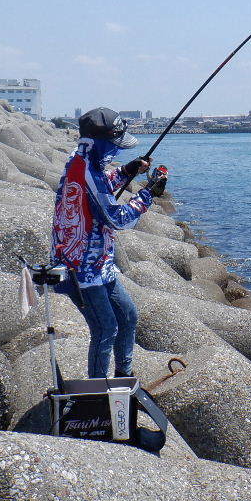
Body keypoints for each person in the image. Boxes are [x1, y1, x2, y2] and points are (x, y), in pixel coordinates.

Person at [51, 106, 163, 378]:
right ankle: (98, 394)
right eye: (114, 145)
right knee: (105, 328)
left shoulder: (80, 160)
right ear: (101, 142)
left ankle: (124, 377)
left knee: (127, 316)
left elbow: (102, 183)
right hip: (81, 266)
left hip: (98, 261)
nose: (116, 150)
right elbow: (117, 219)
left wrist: (128, 170)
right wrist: (148, 194)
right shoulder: (85, 170)